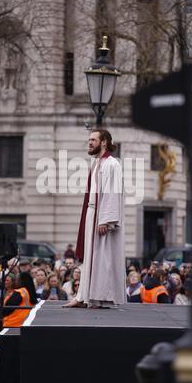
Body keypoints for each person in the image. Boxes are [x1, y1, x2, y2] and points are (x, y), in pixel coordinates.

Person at [64, 129, 125, 308]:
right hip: (92, 213)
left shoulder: (112, 164)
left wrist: (105, 219)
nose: (89, 143)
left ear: (104, 142)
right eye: (89, 140)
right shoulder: (96, 162)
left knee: (102, 258)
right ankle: (83, 296)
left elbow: (113, 192)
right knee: (90, 258)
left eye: (93, 140)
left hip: (101, 216)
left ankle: (98, 297)